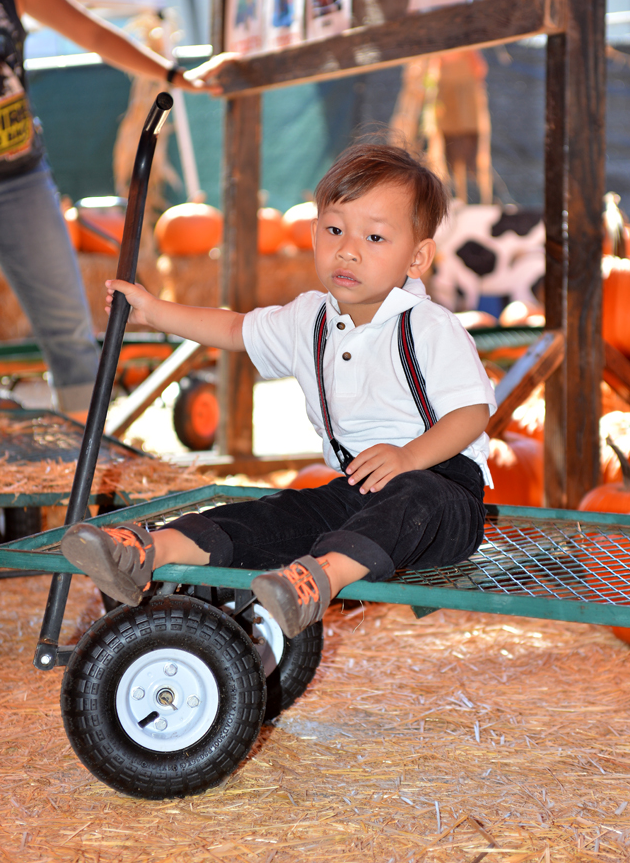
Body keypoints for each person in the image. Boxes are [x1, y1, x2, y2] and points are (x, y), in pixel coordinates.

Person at [61, 142, 497, 637]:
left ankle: (319, 580)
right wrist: (154, 310)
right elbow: (233, 330)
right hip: (358, 490)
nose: (347, 249)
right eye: (334, 230)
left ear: (417, 258)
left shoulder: (428, 325)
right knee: (278, 513)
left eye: (375, 237)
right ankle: (145, 553)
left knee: (414, 495)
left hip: (444, 495)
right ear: (314, 233)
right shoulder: (309, 318)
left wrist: (408, 457)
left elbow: (471, 413)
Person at [0, 0, 231, 418]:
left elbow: (87, 30)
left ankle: (81, 475)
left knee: (70, 335)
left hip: (19, 179)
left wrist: (175, 76)